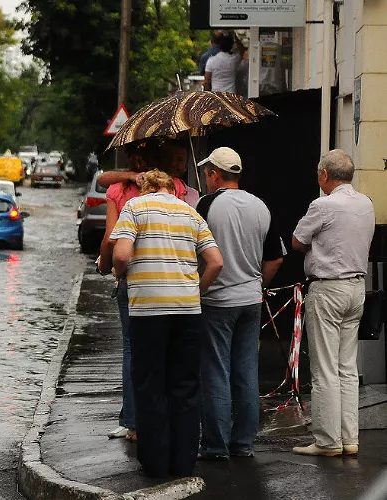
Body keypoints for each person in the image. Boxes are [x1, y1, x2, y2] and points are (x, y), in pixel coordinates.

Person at [108, 169, 223, 478]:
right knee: (184, 387)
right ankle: (183, 463)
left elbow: (120, 254)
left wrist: (121, 273)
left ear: (146, 188)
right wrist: (196, 290)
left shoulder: (135, 207)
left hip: (148, 312)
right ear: (174, 190)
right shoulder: (191, 213)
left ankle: (156, 463)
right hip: (187, 311)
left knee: (150, 386)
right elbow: (215, 262)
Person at [194, 147, 286, 460]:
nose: (206, 178)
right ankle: (244, 443)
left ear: (214, 174)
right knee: (246, 370)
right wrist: (257, 283)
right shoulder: (260, 206)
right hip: (250, 300)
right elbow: (276, 257)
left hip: (217, 299)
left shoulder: (206, 205)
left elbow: (193, 248)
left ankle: (216, 445)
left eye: (207, 173)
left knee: (216, 370)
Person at [292, 150, 375, 457]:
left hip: (328, 288)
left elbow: (298, 240)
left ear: (324, 174)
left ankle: (328, 441)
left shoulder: (322, 205)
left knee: (325, 367)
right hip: (356, 288)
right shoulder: (366, 203)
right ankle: (349, 438)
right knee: (347, 368)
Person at [98, 143, 159, 442]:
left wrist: (109, 268)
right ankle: (156, 418)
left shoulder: (121, 194)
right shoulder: (169, 188)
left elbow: (111, 240)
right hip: (166, 276)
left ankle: (133, 421)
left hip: (132, 275)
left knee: (132, 349)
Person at [160, 140, 200, 207]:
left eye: (179, 160)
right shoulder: (151, 191)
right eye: (169, 158)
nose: (173, 163)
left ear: (186, 166)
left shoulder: (194, 194)